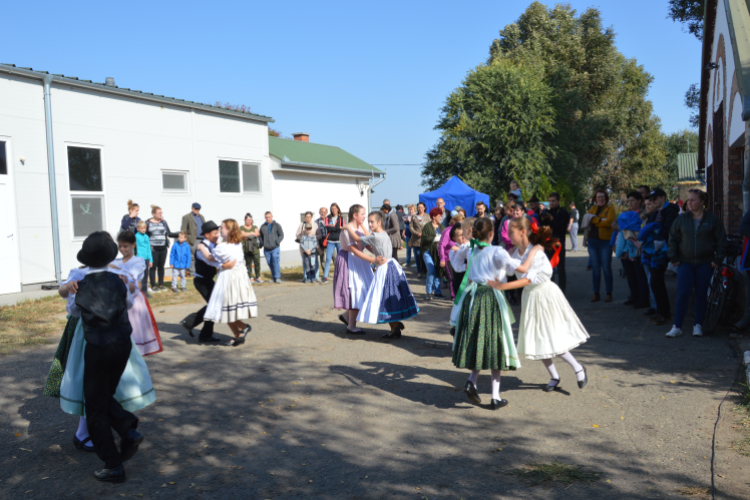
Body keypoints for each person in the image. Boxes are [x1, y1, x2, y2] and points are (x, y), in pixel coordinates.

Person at [69, 231, 148, 483]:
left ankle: (113, 464)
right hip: (121, 344)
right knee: (103, 397)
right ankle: (127, 428)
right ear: (109, 257)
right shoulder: (119, 279)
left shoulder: (79, 283)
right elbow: (127, 304)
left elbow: (73, 311)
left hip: (98, 346)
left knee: (94, 409)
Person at [491, 217, 589, 392]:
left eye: (510, 232)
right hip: (530, 298)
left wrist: (502, 286)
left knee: (552, 337)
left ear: (522, 232)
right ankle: (554, 376)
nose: (507, 235)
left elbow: (527, 280)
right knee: (538, 339)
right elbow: (505, 272)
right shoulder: (514, 253)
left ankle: (578, 368)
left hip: (545, 295)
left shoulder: (536, 252)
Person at [451, 219, 536, 410]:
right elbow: (520, 269)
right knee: (496, 343)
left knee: (480, 341)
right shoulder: (496, 251)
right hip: (490, 297)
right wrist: (533, 253)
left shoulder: (473, 250)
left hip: (473, 297)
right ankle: (495, 396)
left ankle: (472, 381)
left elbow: (461, 269)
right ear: (491, 234)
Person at [665, 189, 726, 337]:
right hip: (685, 262)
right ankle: (677, 326)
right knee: (683, 293)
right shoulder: (681, 219)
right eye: (689, 200)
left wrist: (717, 260)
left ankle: (698, 325)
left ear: (702, 202)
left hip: (705, 263)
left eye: (693, 200)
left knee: (701, 294)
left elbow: (721, 241)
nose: (689, 202)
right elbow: (672, 239)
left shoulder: (712, 220)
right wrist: (674, 258)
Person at [345, 212, 416, 339]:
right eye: (369, 222)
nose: (370, 224)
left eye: (372, 222)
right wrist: (362, 225)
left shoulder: (376, 236)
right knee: (387, 296)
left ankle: (395, 325)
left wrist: (347, 227)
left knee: (382, 297)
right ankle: (394, 327)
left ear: (379, 222)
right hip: (392, 265)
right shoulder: (383, 234)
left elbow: (357, 239)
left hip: (385, 268)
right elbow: (369, 236)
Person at [202, 219, 257, 346]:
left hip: (228, 278)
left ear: (230, 230)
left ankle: (243, 327)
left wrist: (202, 248)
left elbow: (210, 258)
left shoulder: (222, 247)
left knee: (223, 307)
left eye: (222, 228)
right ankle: (238, 335)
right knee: (227, 308)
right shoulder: (237, 244)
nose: (220, 230)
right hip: (238, 277)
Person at [111, 231, 164, 356]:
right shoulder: (116, 261)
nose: (122, 249)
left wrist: (117, 272)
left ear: (133, 245)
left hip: (134, 300)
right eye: (120, 246)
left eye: (125, 246)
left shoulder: (138, 260)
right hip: (119, 299)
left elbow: (132, 276)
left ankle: (135, 354)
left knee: (134, 327)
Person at [179, 221, 230, 343]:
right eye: (214, 233)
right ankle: (191, 323)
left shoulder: (212, 244)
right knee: (214, 305)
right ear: (206, 235)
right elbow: (212, 261)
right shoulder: (202, 249)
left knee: (215, 305)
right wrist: (227, 264)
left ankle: (202, 332)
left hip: (208, 280)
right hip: (201, 281)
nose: (217, 235)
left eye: (218, 232)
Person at [333, 204, 373, 334]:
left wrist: (378, 252)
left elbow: (367, 243)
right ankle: (351, 325)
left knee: (365, 290)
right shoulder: (347, 230)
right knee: (355, 291)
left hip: (359, 261)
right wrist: (372, 260)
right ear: (355, 215)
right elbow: (353, 250)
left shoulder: (361, 227)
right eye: (362, 214)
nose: (364, 217)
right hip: (349, 260)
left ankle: (346, 317)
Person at [643, 188, 680, 325]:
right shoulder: (656, 212)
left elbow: (669, 231)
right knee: (655, 282)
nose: (653, 201)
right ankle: (661, 312)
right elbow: (649, 227)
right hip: (654, 252)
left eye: (655, 199)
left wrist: (654, 230)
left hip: (664, 252)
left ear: (663, 197)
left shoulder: (670, 211)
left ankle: (664, 313)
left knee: (656, 281)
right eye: (651, 199)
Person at [616, 192, 649, 309]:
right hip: (625, 248)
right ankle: (634, 296)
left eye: (633, 200)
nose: (630, 203)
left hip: (638, 248)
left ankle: (644, 298)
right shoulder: (625, 213)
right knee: (630, 274)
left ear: (640, 200)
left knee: (640, 274)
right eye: (629, 201)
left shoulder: (645, 213)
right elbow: (618, 227)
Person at [587, 189, 617, 303]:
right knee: (595, 269)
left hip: (605, 242)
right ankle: (596, 293)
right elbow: (587, 219)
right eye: (598, 197)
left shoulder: (610, 209)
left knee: (606, 268)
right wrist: (600, 220)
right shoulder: (593, 209)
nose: (600, 199)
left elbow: (609, 221)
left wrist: (595, 220)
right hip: (592, 241)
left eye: (602, 197)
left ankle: (609, 293)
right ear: (595, 198)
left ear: (606, 198)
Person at [540, 192, 569, 293]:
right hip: (548, 244)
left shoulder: (563, 212)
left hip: (558, 244)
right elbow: (544, 228)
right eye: (550, 201)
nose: (551, 203)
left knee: (560, 268)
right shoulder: (548, 212)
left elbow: (561, 228)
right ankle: (551, 290)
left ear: (558, 201)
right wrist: (543, 219)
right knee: (549, 268)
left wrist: (552, 219)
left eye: (553, 201)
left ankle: (562, 291)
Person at [146, 205, 179, 292]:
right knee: (153, 267)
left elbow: (169, 233)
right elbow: (145, 236)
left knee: (161, 267)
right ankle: (153, 285)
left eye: (161, 212)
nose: (161, 214)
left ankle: (161, 284)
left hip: (163, 248)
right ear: (153, 213)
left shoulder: (163, 222)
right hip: (153, 249)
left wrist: (180, 234)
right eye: (159, 213)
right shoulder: (148, 223)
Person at [420, 207, 446, 300]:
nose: (440, 217)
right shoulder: (427, 226)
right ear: (434, 216)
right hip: (427, 252)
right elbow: (424, 239)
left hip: (438, 253)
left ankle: (437, 292)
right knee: (431, 270)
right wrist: (435, 238)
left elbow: (445, 238)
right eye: (439, 216)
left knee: (438, 271)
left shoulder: (442, 227)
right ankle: (429, 292)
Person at [259, 211, 284, 284]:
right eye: (266, 217)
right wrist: (262, 243)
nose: (268, 218)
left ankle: (277, 277)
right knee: (270, 263)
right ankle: (273, 277)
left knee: (275, 262)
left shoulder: (277, 225)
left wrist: (277, 242)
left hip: (275, 248)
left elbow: (281, 235)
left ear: (272, 217)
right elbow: (260, 237)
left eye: (269, 217)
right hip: (266, 249)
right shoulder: (262, 226)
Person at [296, 211, 322, 282]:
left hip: (313, 248)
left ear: (312, 217)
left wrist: (314, 236)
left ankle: (316, 276)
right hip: (305, 248)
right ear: (305, 217)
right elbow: (297, 235)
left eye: (309, 217)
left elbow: (320, 235)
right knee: (306, 263)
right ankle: (306, 277)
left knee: (314, 263)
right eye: (306, 217)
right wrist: (302, 237)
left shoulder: (315, 224)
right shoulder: (302, 224)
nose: (308, 218)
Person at [181, 203, 206, 275]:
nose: (197, 210)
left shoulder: (202, 217)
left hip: (202, 240)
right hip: (192, 240)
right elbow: (184, 229)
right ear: (192, 208)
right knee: (192, 256)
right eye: (196, 209)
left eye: (198, 209)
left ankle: (200, 271)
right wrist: (186, 239)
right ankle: (192, 272)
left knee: (202, 256)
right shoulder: (186, 217)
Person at [240, 213, 262, 283]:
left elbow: (257, 233)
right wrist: (252, 233)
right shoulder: (241, 227)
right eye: (248, 220)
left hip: (255, 248)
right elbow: (242, 234)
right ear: (245, 220)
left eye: (250, 220)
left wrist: (247, 235)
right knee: (248, 263)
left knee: (257, 262)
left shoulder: (255, 226)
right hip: (246, 248)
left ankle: (258, 276)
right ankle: (250, 277)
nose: (249, 221)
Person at [410, 202, 428, 277]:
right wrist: (416, 233)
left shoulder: (428, 217)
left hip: (425, 240)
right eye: (418, 207)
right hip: (416, 239)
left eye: (421, 207)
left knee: (425, 256)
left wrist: (424, 234)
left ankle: (425, 271)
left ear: (424, 208)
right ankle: (419, 271)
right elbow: (411, 227)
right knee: (417, 256)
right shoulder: (414, 217)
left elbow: (430, 227)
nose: (420, 209)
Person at [134, 222, 153, 294]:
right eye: (141, 228)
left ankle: (145, 291)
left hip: (146, 258)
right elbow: (134, 248)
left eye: (144, 228)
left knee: (145, 276)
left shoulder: (146, 236)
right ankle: (140, 292)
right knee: (140, 276)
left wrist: (151, 260)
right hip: (139, 258)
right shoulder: (136, 236)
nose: (143, 229)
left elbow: (149, 248)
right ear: (137, 229)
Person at [315, 207, 329, 276]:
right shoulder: (316, 222)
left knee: (335, 257)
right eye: (321, 212)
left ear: (326, 213)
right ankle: (325, 273)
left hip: (330, 243)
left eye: (324, 212)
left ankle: (338, 273)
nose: (322, 213)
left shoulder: (330, 220)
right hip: (321, 244)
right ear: (319, 212)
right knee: (323, 259)